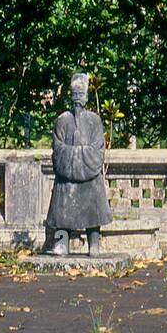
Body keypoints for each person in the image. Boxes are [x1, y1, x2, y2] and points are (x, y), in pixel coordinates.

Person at [46, 72, 112, 255]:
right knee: (62, 208)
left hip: (90, 175)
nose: (78, 98)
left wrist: (80, 156)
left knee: (93, 206)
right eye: (75, 94)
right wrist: (75, 155)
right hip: (66, 175)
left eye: (81, 94)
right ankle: (62, 243)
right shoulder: (62, 120)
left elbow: (98, 149)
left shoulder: (94, 120)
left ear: (87, 97)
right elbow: (58, 149)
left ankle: (94, 243)